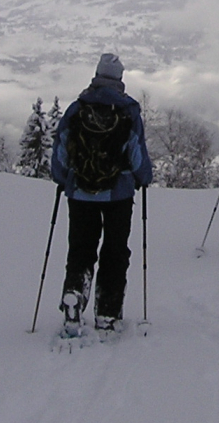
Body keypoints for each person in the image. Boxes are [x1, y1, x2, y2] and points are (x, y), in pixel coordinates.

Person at [51, 53, 153, 335]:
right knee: (115, 251)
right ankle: (107, 312)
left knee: (81, 250)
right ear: (120, 79)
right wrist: (144, 178)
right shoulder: (128, 110)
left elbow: (60, 152)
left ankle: (74, 292)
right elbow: (136, 153)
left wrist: (63, 179)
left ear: (96, 76)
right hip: (118, 195)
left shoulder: (76, 109)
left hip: (80, 193)